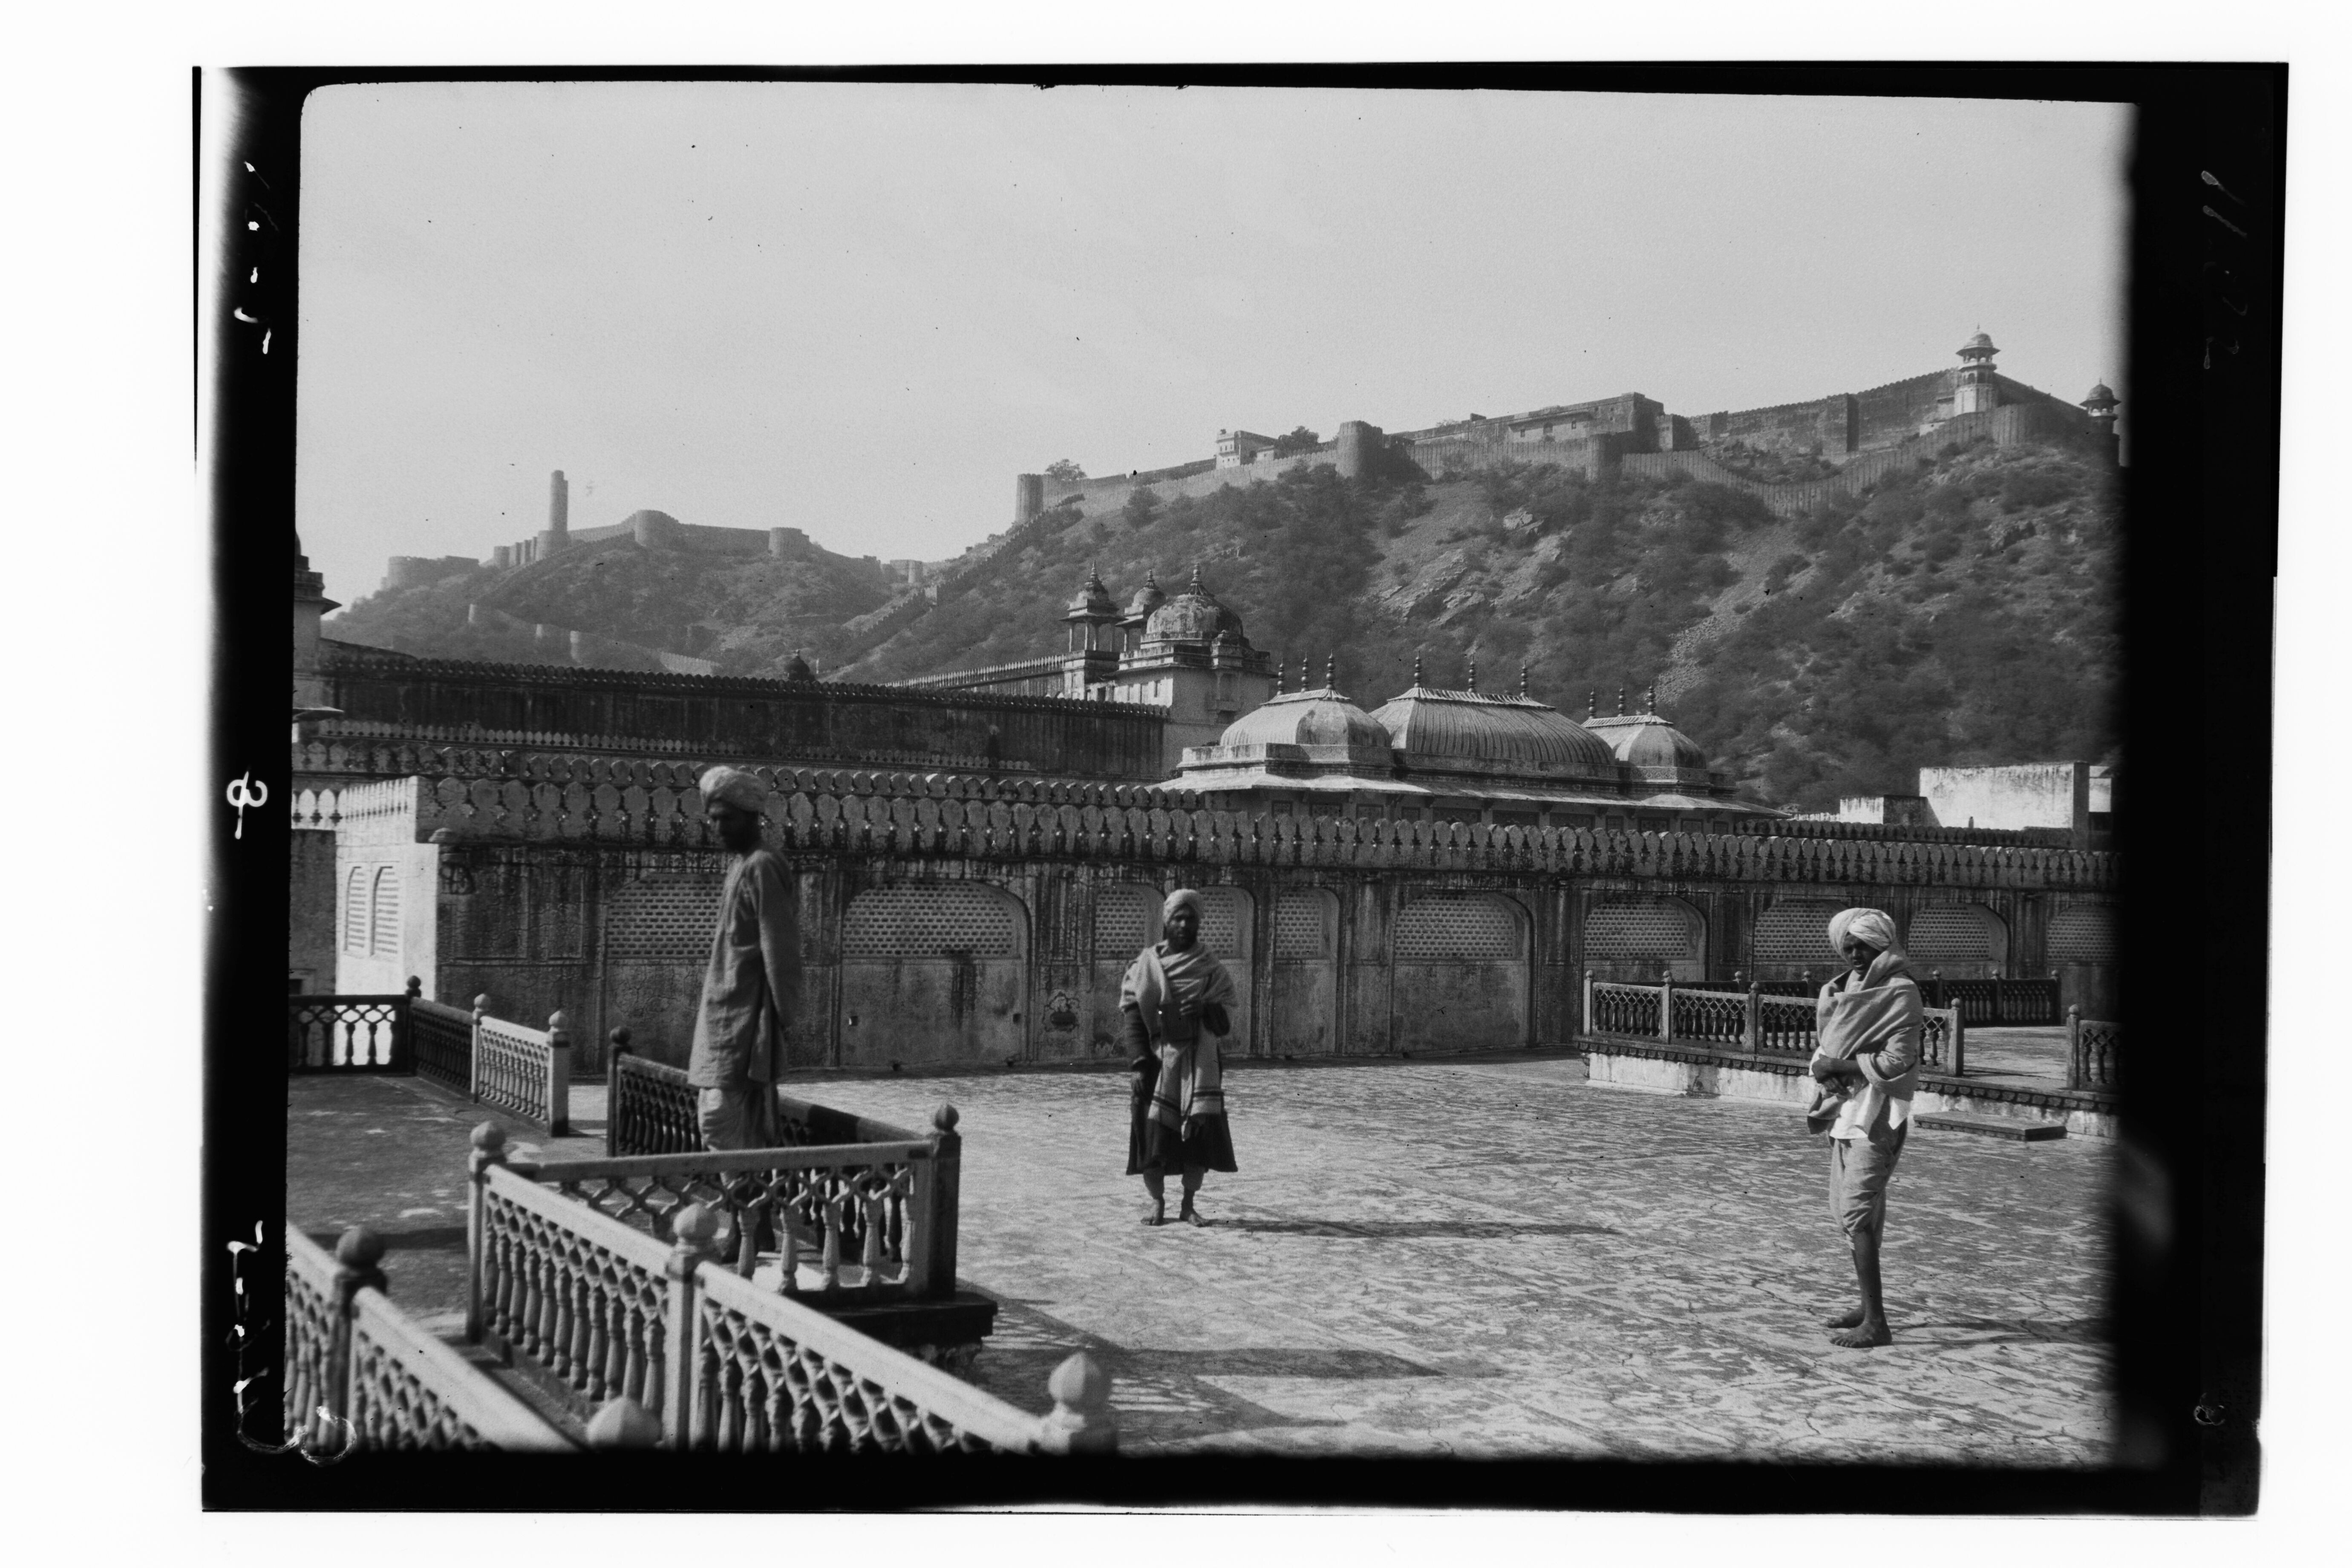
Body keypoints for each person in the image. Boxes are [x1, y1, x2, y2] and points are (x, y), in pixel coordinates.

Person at [1806, 906, 1923, 1349]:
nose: (1855, 955)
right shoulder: (1839, 989)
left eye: (1864, 947)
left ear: (1883, 945)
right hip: (1843, 1110)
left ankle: (1877, 1323)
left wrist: (1837, 1065)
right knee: (1854, 1212)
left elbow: (1898, 1061)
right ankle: (1867, 1305)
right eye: (1849, 946)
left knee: (1856, 1211)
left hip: (1878, 1114)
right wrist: (1826, 1067)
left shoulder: (1901, 991)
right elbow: (1827, 1047)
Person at [689, 765, 799, 1151]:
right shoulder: (741, 864)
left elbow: (780, 950)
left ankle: (742, 1192)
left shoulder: (763, 865)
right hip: (722, 1015)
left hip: (745, 1021)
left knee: (723, 1123)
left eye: (727, 819)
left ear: (752, 818)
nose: (717, 828)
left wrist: (782, 1019)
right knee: (722, 1122)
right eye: (713, 819)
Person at [1121, 888, 1240, 1226]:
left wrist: (1206, 1009)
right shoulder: (1145, 966)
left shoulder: (1212, 969)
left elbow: (1224, 1024)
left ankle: (1188, 1205)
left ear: (1199, 923)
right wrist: (1138, 1064)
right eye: (1178, 918)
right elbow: (1133, 1018)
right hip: (1156, 1064)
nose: (1185, 925)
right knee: (1153, 1140)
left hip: (1201, 1066)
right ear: (1167, 922)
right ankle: (1157, 1202)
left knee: (1197, 1140)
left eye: (1191, 919)